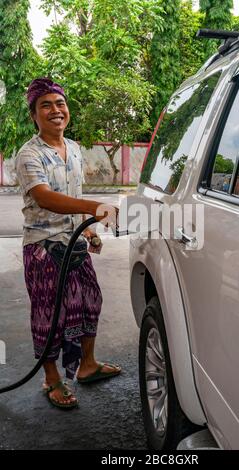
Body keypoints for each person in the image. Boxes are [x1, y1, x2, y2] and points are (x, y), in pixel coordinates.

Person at [15, 78, 121, 409]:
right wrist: (94, 209)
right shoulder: (29, 154)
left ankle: (87, 366)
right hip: (44, 247)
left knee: (91, 301)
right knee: (50, 315)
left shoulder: (73, 148)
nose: (55, 110)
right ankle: (51, 379)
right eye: (45, 105)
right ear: (34, 114)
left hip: (73, 243)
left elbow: (72, 196)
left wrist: (88, 231)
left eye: (59, 103)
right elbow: (45, 197)